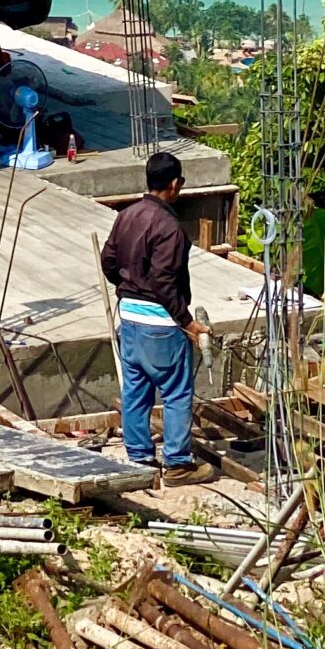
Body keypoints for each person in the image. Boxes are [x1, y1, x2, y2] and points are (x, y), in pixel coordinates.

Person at [99, 150, 207, 474]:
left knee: (135, 390)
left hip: (129, 319)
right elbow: (164, 282)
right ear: (174, 184)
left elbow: (108, 262)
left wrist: (127, 285)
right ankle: (176, 463)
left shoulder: (126, 215)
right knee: (176, 391)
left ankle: (139, 458)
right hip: (160, 323)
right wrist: (188, 322)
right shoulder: (170, 228)